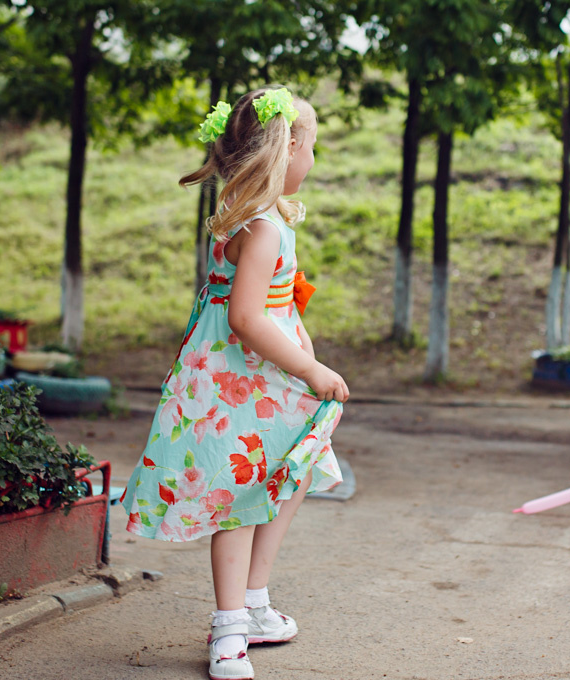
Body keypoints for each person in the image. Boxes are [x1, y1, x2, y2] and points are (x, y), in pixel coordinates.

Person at [120, 87, 350, 680]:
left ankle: (252, 604)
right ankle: (229, 632)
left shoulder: (253, 218)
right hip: (242, 385)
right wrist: (311, 368)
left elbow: (266, 308)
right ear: (290, 148)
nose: (314, 160)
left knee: (286, 472)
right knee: (240, 499)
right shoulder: (263, 227)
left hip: (253, 380)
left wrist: (301, 348)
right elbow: (247, 318)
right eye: (313, 148)